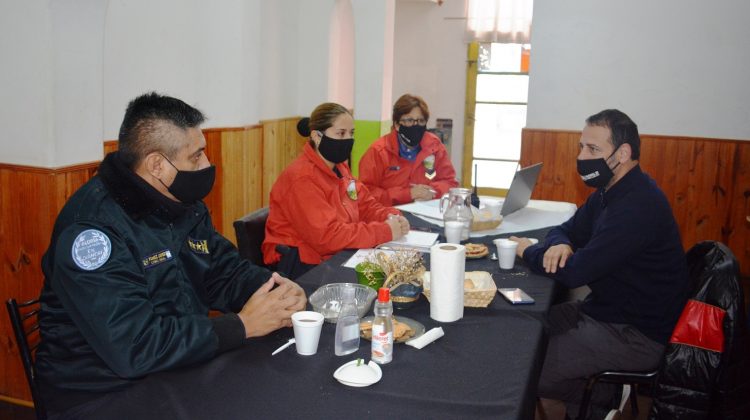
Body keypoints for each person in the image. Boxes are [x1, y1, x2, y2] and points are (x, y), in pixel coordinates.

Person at [36, 92, 307, 418]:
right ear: (156, 165)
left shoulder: (180, 203)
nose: (207, 165)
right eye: (196, 156)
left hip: (174, 365)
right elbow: (133, 346)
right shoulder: (92, 233)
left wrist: (274, 289)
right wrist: (242, 326)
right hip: (98, 390)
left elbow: (221, 269)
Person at [510, 109, 689, 419]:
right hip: (605, 311)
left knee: (524, 375)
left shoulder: (637, 206)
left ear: (623, 153)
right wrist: (559, 244)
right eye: (581, 147)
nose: (582, 156)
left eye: (592, 149)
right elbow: (565, 229)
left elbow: (575, 272)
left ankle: (602, 396)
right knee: (525, 331)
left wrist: (528, 252)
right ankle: (596, 396)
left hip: (636, 334)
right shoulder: (609, 191)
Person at [262, 102, 410, 278]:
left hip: (334, 254)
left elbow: (365, 205)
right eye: (341, 133)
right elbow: (326, 237)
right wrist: (384, 231)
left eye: (351, 133)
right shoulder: (302, 179)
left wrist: (391, 217)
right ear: (317, 136)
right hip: (301, 263)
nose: (348, 140)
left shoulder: (340, 168)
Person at [358, 94, 458, 206]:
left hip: (427, 213)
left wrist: (432, 192)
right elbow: (365, 193)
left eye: (420, 121)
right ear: (397, 125)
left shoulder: (434, 146)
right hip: (390, 216)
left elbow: (450, 183)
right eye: (409, 120)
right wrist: (407, 194)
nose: (415, 125)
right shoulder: (379, 152)